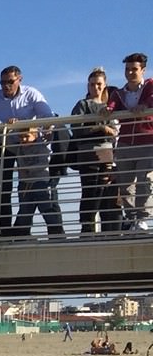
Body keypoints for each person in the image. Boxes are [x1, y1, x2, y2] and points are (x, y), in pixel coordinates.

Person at [0, 66, 58, 237]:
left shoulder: (32, 93)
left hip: (27, 144)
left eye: (10, 82)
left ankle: (55, 231)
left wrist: (25, 125)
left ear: (20, 79)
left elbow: (47, 117)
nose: (6, 86)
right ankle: (5, 231)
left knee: (38, 185)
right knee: (2, 188)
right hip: (3, 145)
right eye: (2, 82)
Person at [71, 68, 122, 235]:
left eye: (99, 84)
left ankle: (110, 229)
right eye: (92, 84)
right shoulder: (83, 104)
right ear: (88, 85)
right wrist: (100, 128)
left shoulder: (110, 106)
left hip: (107, 153)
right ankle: (87, 227)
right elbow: (76, 128)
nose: (96, 88)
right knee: (90, 189)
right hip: (88, 153)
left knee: (106, 190)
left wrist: (104, 129)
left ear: (105, 85)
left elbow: (116, 130)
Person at [115, 53, 153, 228]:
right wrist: (108, 109)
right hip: (125, 143)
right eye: (127, 69)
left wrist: (145, 105)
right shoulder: (119, 92)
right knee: (125, 184)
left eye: (134, 69)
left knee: (145, 179)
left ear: (143, 70)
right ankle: (131, 219)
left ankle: (142, 218)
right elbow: (113, 103)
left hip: (146, 141)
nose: (130, 73)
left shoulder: (150, 86)